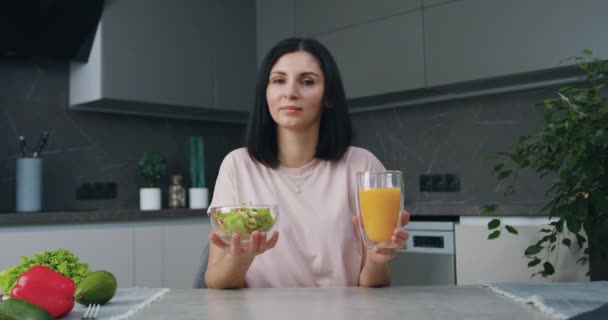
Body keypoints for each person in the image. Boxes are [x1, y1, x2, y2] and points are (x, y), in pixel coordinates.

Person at [204, 37, 409, 289]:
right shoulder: (238, 165)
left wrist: (377, 262)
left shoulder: (362, 165)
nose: (290, 92)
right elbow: (214, 280)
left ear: (329, 97)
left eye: (307, 82)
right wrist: (241, 259)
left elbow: (375, 284)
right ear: (265, 93)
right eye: (278, 80)